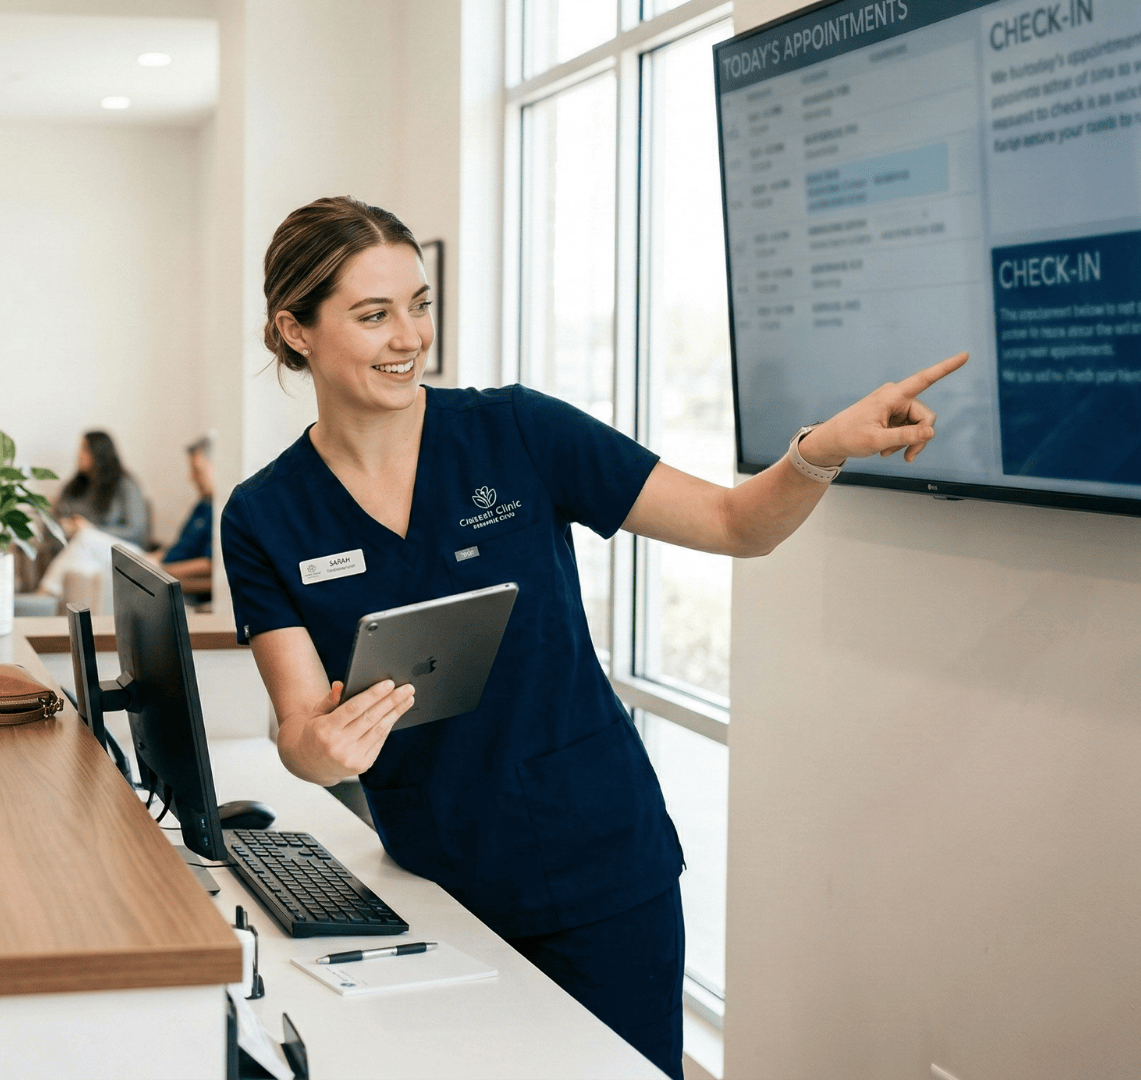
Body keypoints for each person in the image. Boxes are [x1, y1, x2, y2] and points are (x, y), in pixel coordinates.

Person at [218, 196, 968, 1079]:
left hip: (599, 871)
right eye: (373, 314)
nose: (408, 335)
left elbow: (736, 525)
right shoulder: (265, 514)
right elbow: (303, 733)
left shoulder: (518, 432)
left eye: (419, 304)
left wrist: (820, 450)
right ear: (294, 330)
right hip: (434, 879)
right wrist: (324, 747)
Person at [53, 430, 151, 549]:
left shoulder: (125, 486)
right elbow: (59, 517)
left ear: (100, 453)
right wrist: (67, 525)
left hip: (117, 551)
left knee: (85, 541)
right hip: (79, 548)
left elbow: (136, 531)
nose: (79, 454)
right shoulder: (74, 486)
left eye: (85, 449)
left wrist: (92, 530)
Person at [161, 436, 214, 595]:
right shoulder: (202, 505)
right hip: (166, 568)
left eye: (197, 471)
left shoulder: (221, 512)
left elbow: (210, 563)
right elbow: (181, 545)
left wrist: (164, 572)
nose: (192, 477)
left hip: (184, 588)